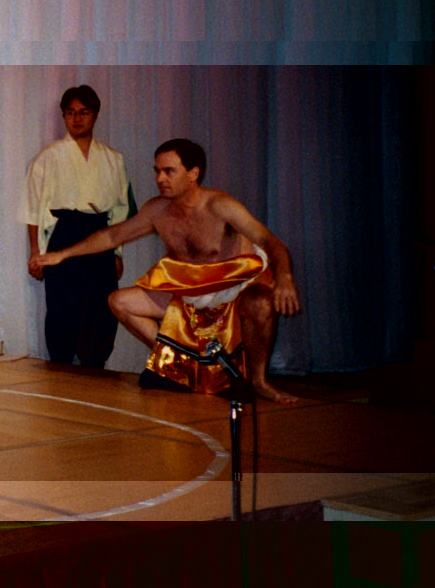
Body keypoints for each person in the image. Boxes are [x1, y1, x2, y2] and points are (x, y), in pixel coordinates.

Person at [38, 139, 299, 403]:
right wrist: (63, 254)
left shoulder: (220, 205)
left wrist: (285, 278)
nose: (160, 178)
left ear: (193, 174)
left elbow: (272, 242)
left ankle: (258, 381)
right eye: (157, 171)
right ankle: (180, 361)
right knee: (119, 302)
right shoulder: (157, 210)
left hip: (234, 289)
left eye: (169, 171)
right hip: (192, 292)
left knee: (261, 303)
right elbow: (113, 235)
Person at [23, 85, 135, 368]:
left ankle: (94, 369)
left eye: (84, 112)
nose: (77, 118)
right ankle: (60, 367)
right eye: (71, 112)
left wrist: (117, 252)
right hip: (64, 232)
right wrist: (36, 252)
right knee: (62, 307)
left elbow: (121, 211)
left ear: (95, 115)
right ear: (63, 116)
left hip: (101, 234)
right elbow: (32, 208)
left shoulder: (113, 159)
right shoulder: (48, 156)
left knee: (99, 308)